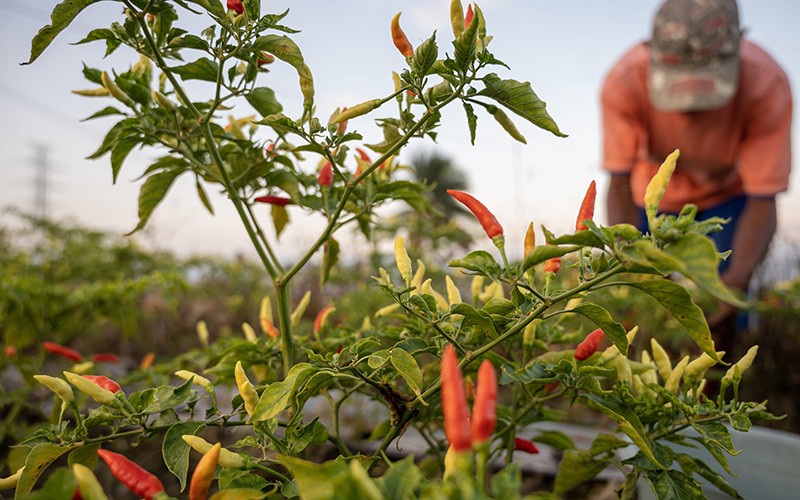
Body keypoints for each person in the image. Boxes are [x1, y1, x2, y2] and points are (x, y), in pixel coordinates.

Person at [600, 0, 792, 354]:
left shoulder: (766, 86)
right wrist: (635, 265)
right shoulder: (624, 81)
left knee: (725, 313)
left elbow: (764, 198)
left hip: (731, 198)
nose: (689, 111)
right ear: (650, 50)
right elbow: (618, 182)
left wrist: (733, 283)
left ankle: (714, 397)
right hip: (651, 201)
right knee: (650, 310)